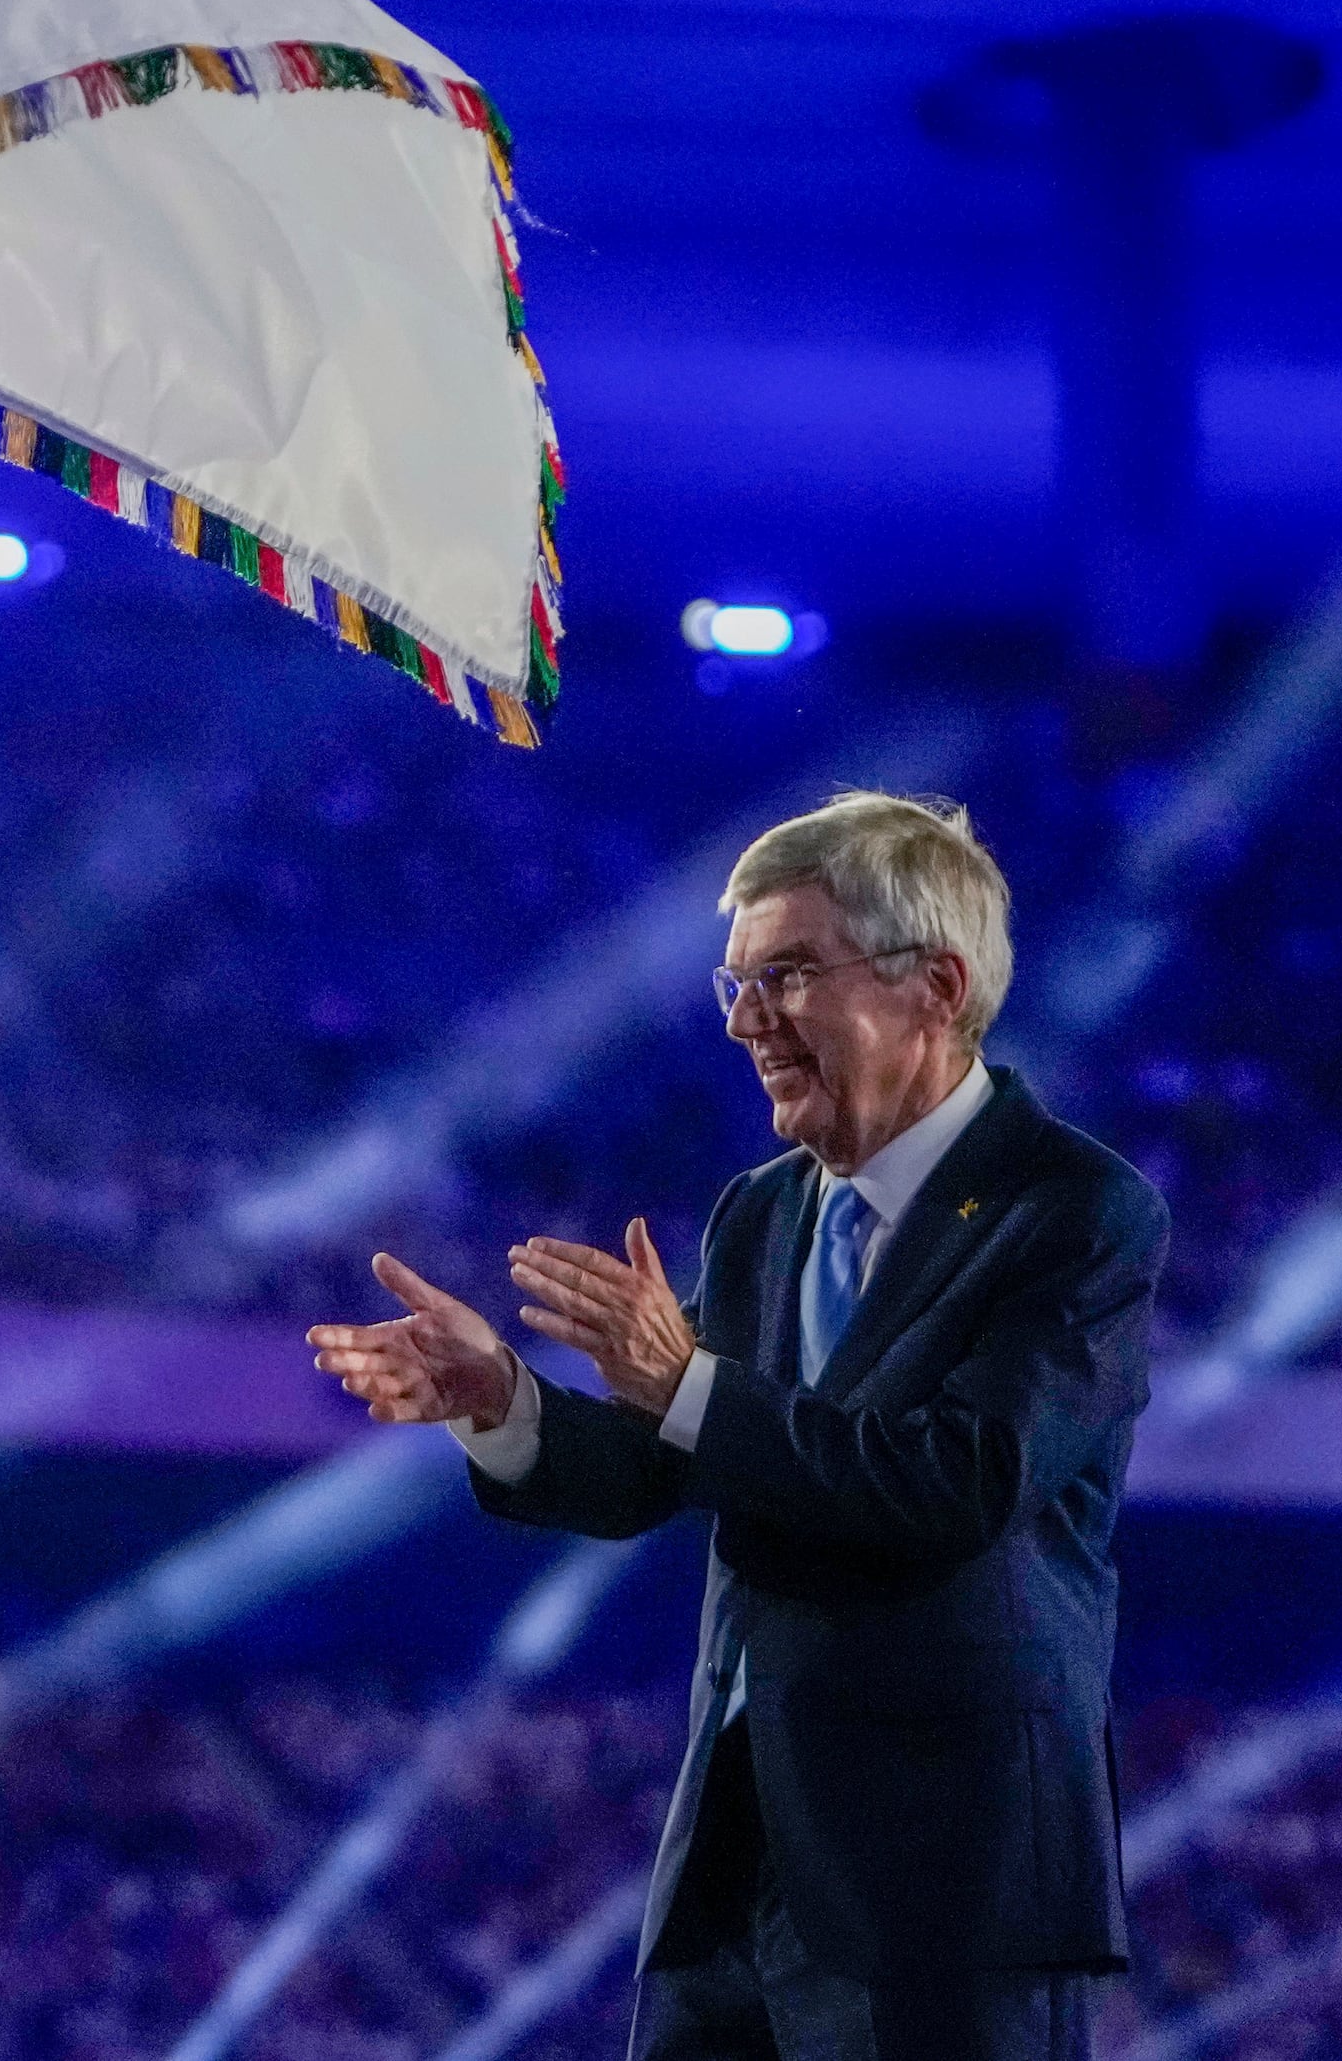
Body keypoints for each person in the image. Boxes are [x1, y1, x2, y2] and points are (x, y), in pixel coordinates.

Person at [306, 791, 1164, 2061]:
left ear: (932, 984)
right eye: (735, 982)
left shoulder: (1073, 1211)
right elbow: (661, 1462)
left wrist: (685, 1385)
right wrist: (505, 1403)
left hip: (946, 1888)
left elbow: (961, 1483)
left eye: (788, 976)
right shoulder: (763, 1212)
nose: (745, 1020)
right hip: (733, 1877)